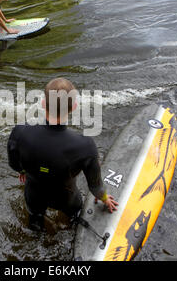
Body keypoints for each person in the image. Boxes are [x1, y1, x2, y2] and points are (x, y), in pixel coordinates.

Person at [7, 78, 118, 231]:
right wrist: (104, 198)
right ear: (74, 107)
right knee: (73, 222)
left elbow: (13, 163)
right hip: (67, 198)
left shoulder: (20, 132)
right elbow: (95, 185)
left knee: (34, 222)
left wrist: (23, 171)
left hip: (33, 194)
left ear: (43, 103)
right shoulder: (85, 146)